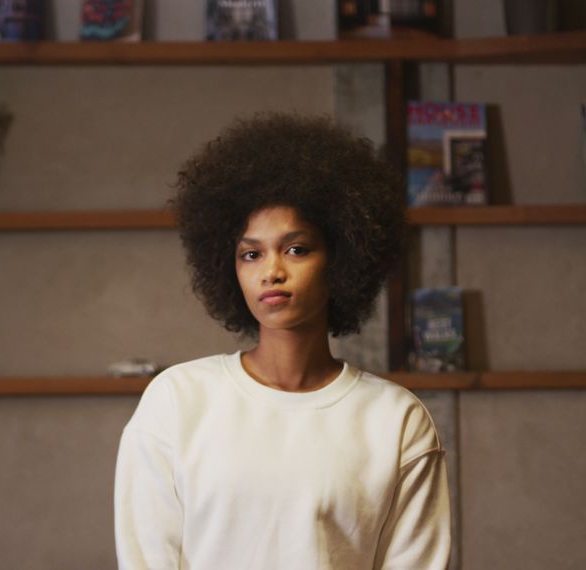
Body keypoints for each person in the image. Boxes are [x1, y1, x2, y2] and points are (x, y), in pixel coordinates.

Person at [114, 113, 451, 569]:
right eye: (251, 254)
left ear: (343, 257)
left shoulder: (397, 422)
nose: (272, 270)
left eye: (296, 249)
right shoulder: (176, 402)